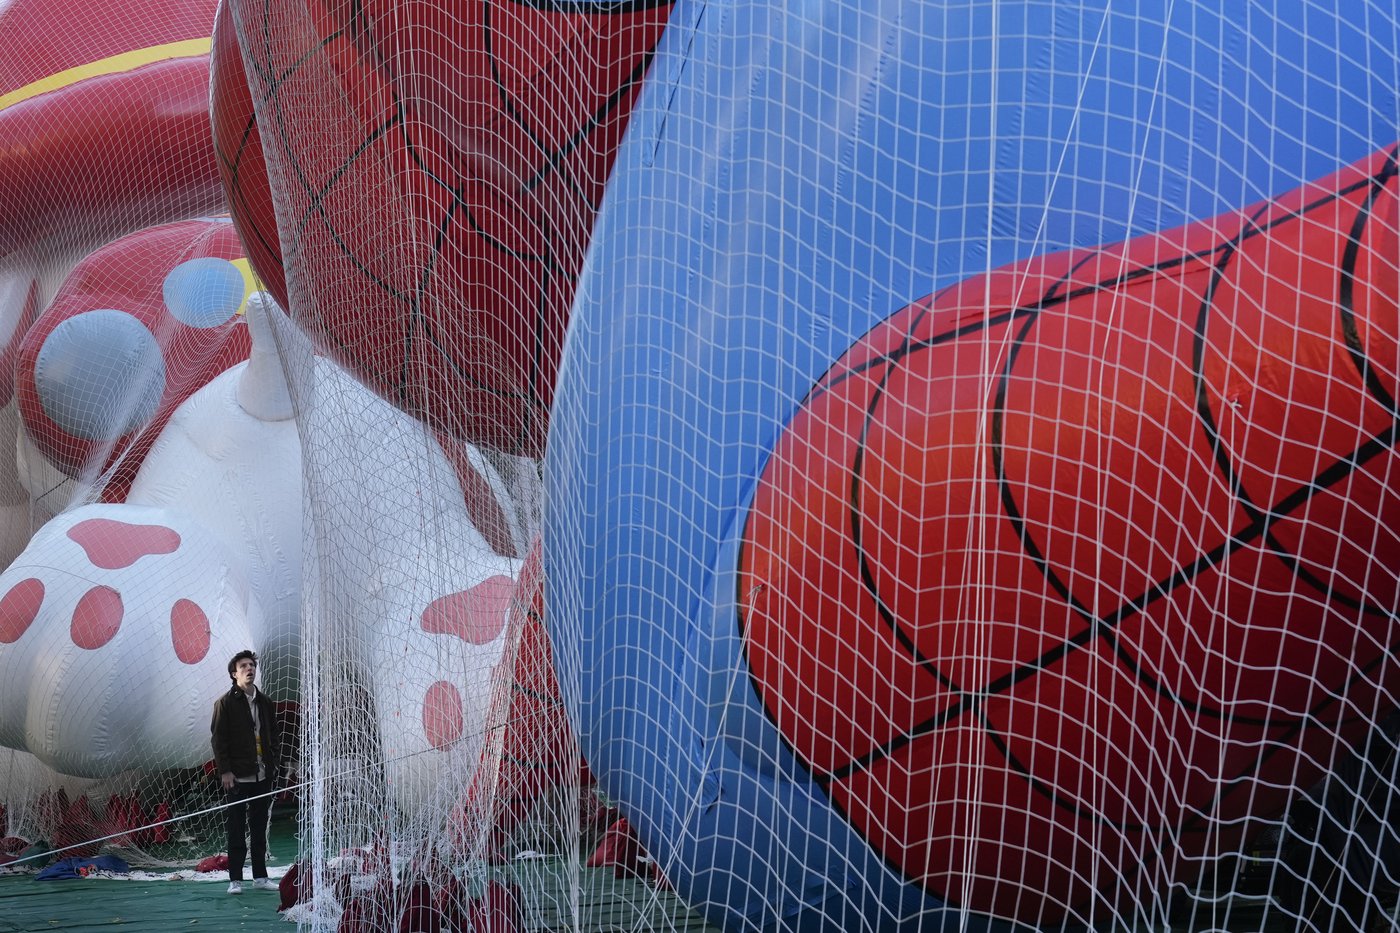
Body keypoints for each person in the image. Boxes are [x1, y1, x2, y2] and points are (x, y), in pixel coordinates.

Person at [210, 649, 280, 895]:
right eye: (243, 666)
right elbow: (219, 741)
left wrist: (274, 765)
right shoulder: (224, 703)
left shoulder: (265, 702)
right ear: (234, 673)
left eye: (252, 665)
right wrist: (225, 772)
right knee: (237, 828)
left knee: (260, 827)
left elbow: (273, 735)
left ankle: (260, 876)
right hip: (238, 777)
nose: (249, 669)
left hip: (263, 775)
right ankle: (236, 879)